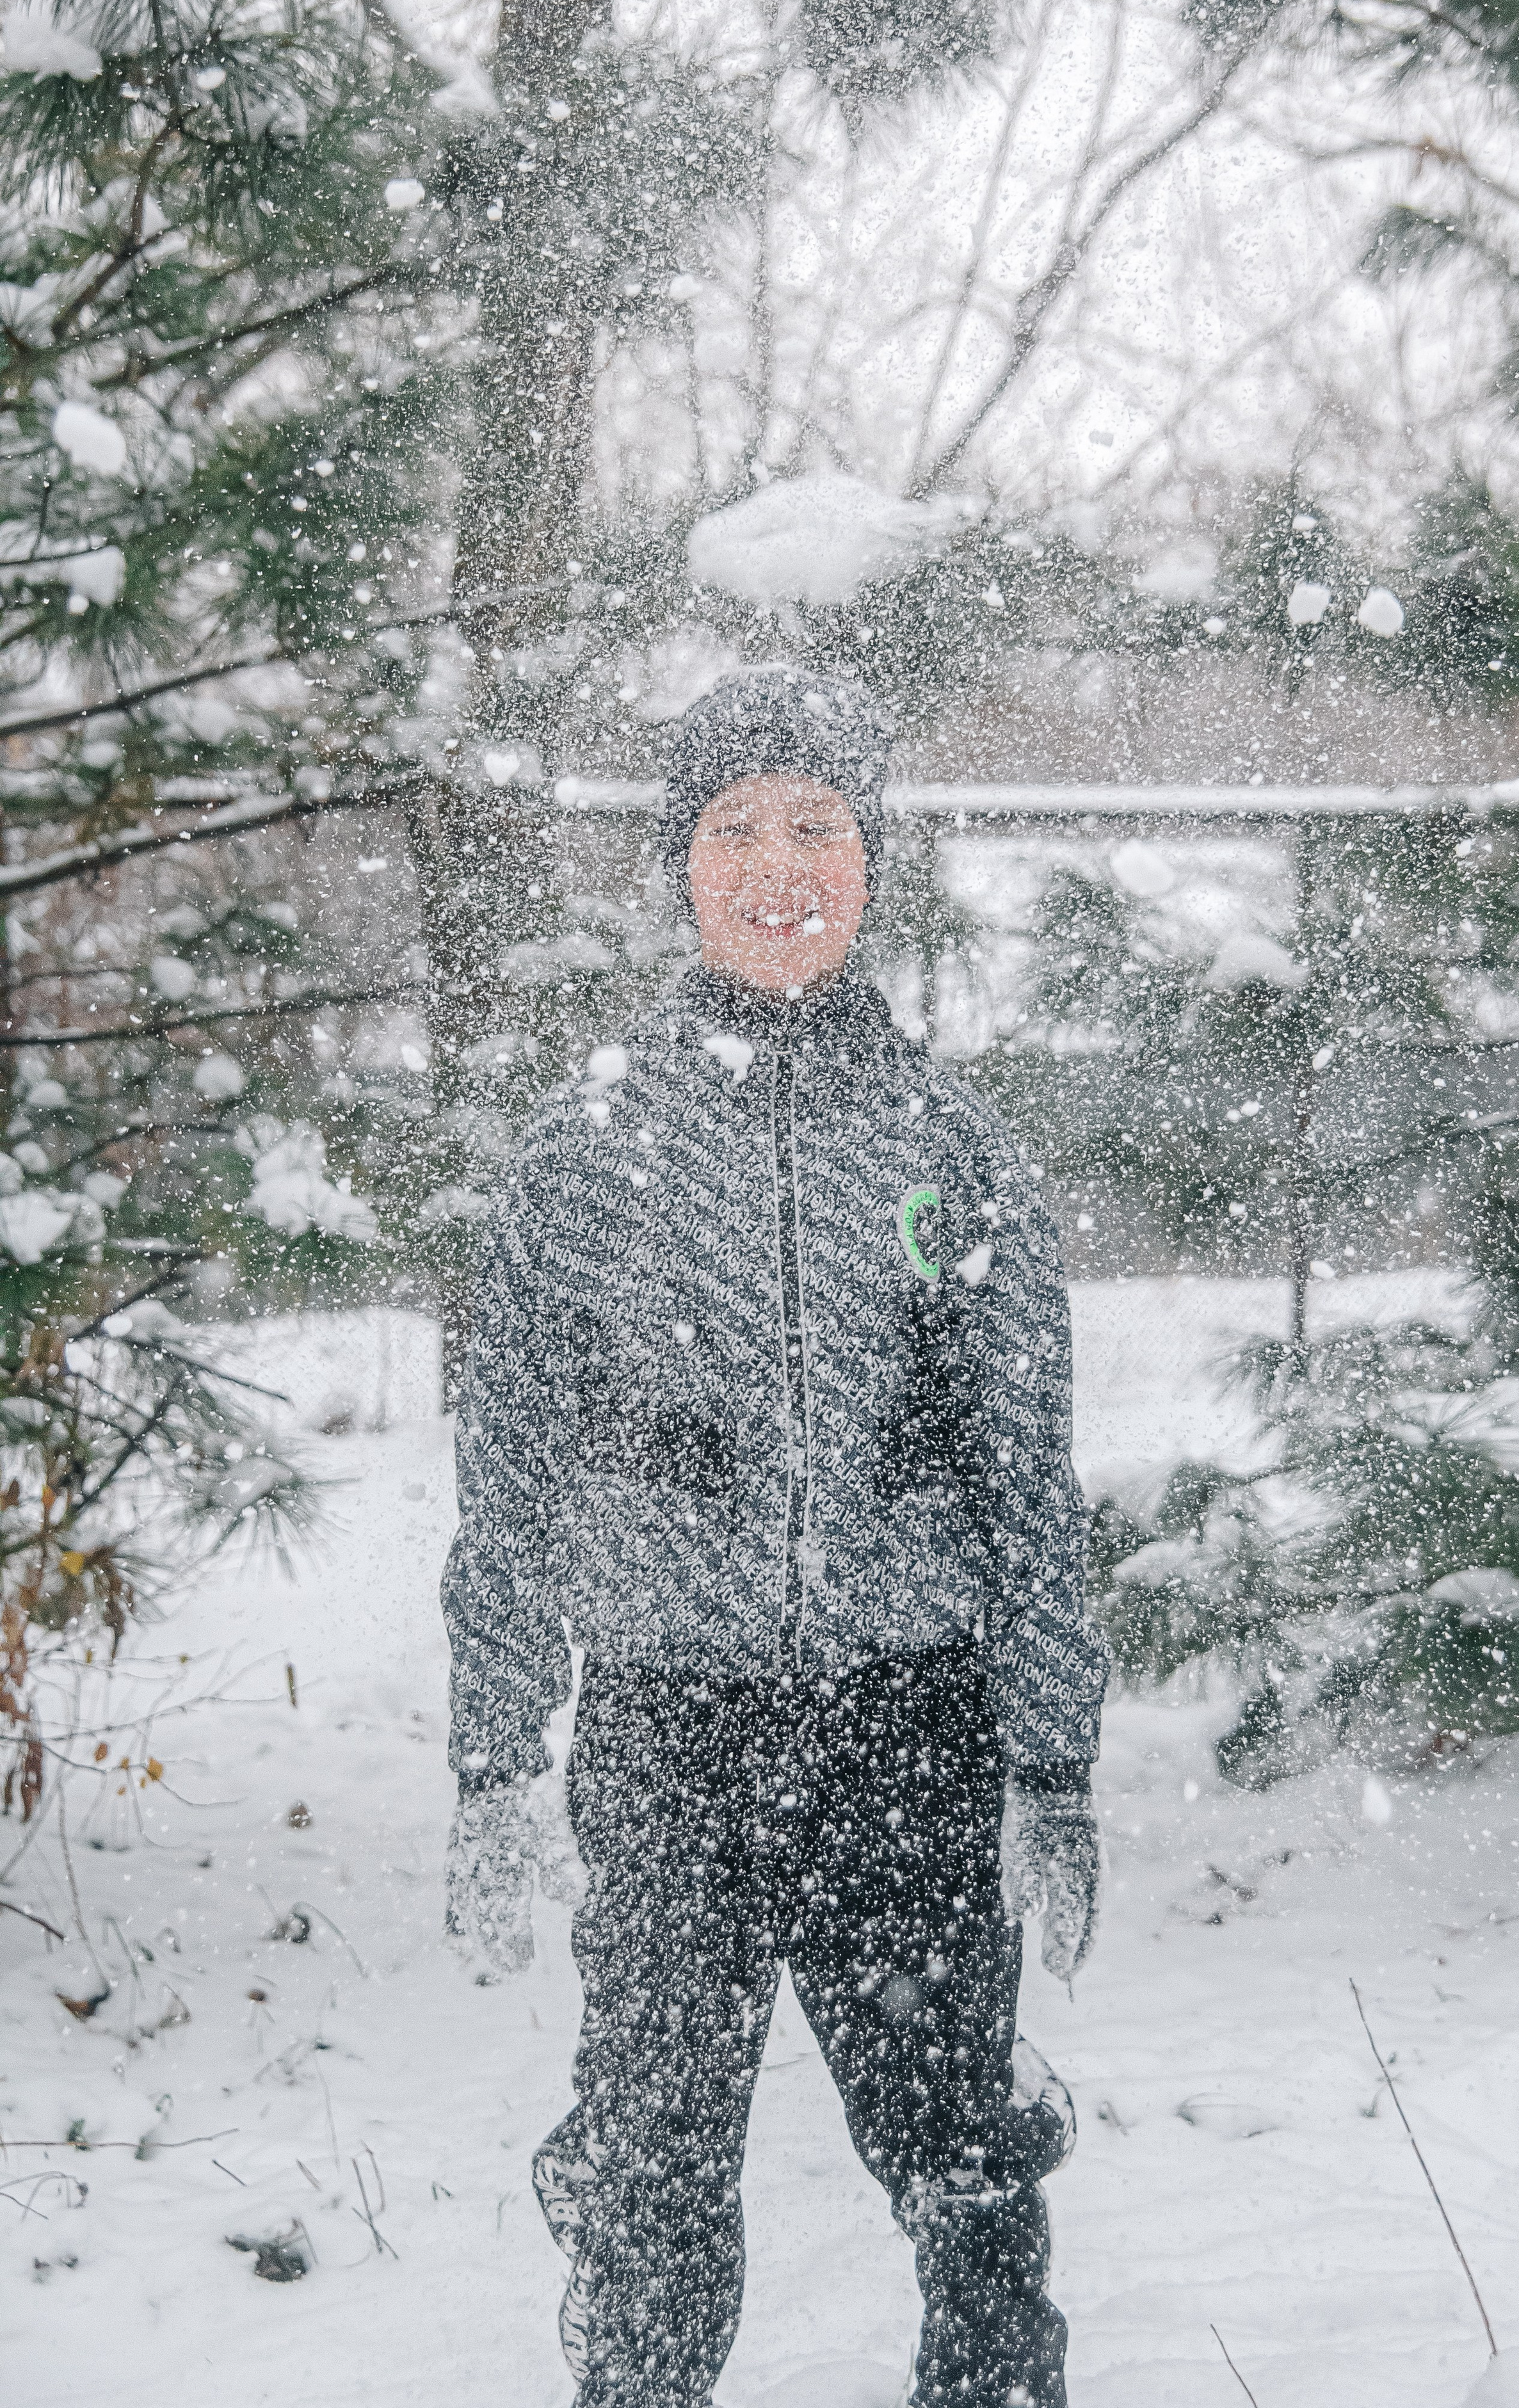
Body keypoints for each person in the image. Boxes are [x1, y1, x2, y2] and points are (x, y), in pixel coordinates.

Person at [441, 665, 1109, 2408]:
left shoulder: (952, 1154)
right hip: (673, 1742)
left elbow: (1028, 1483)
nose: (778, 862)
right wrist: (493, 1758)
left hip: (910, 1725)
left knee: (968, 2174)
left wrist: (1054, 1760)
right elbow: (507, 1478)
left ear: (873, 860)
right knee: (650, 2184)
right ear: (680, 864)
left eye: (818, 822)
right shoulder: (584, 1158)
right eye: (735, 826)